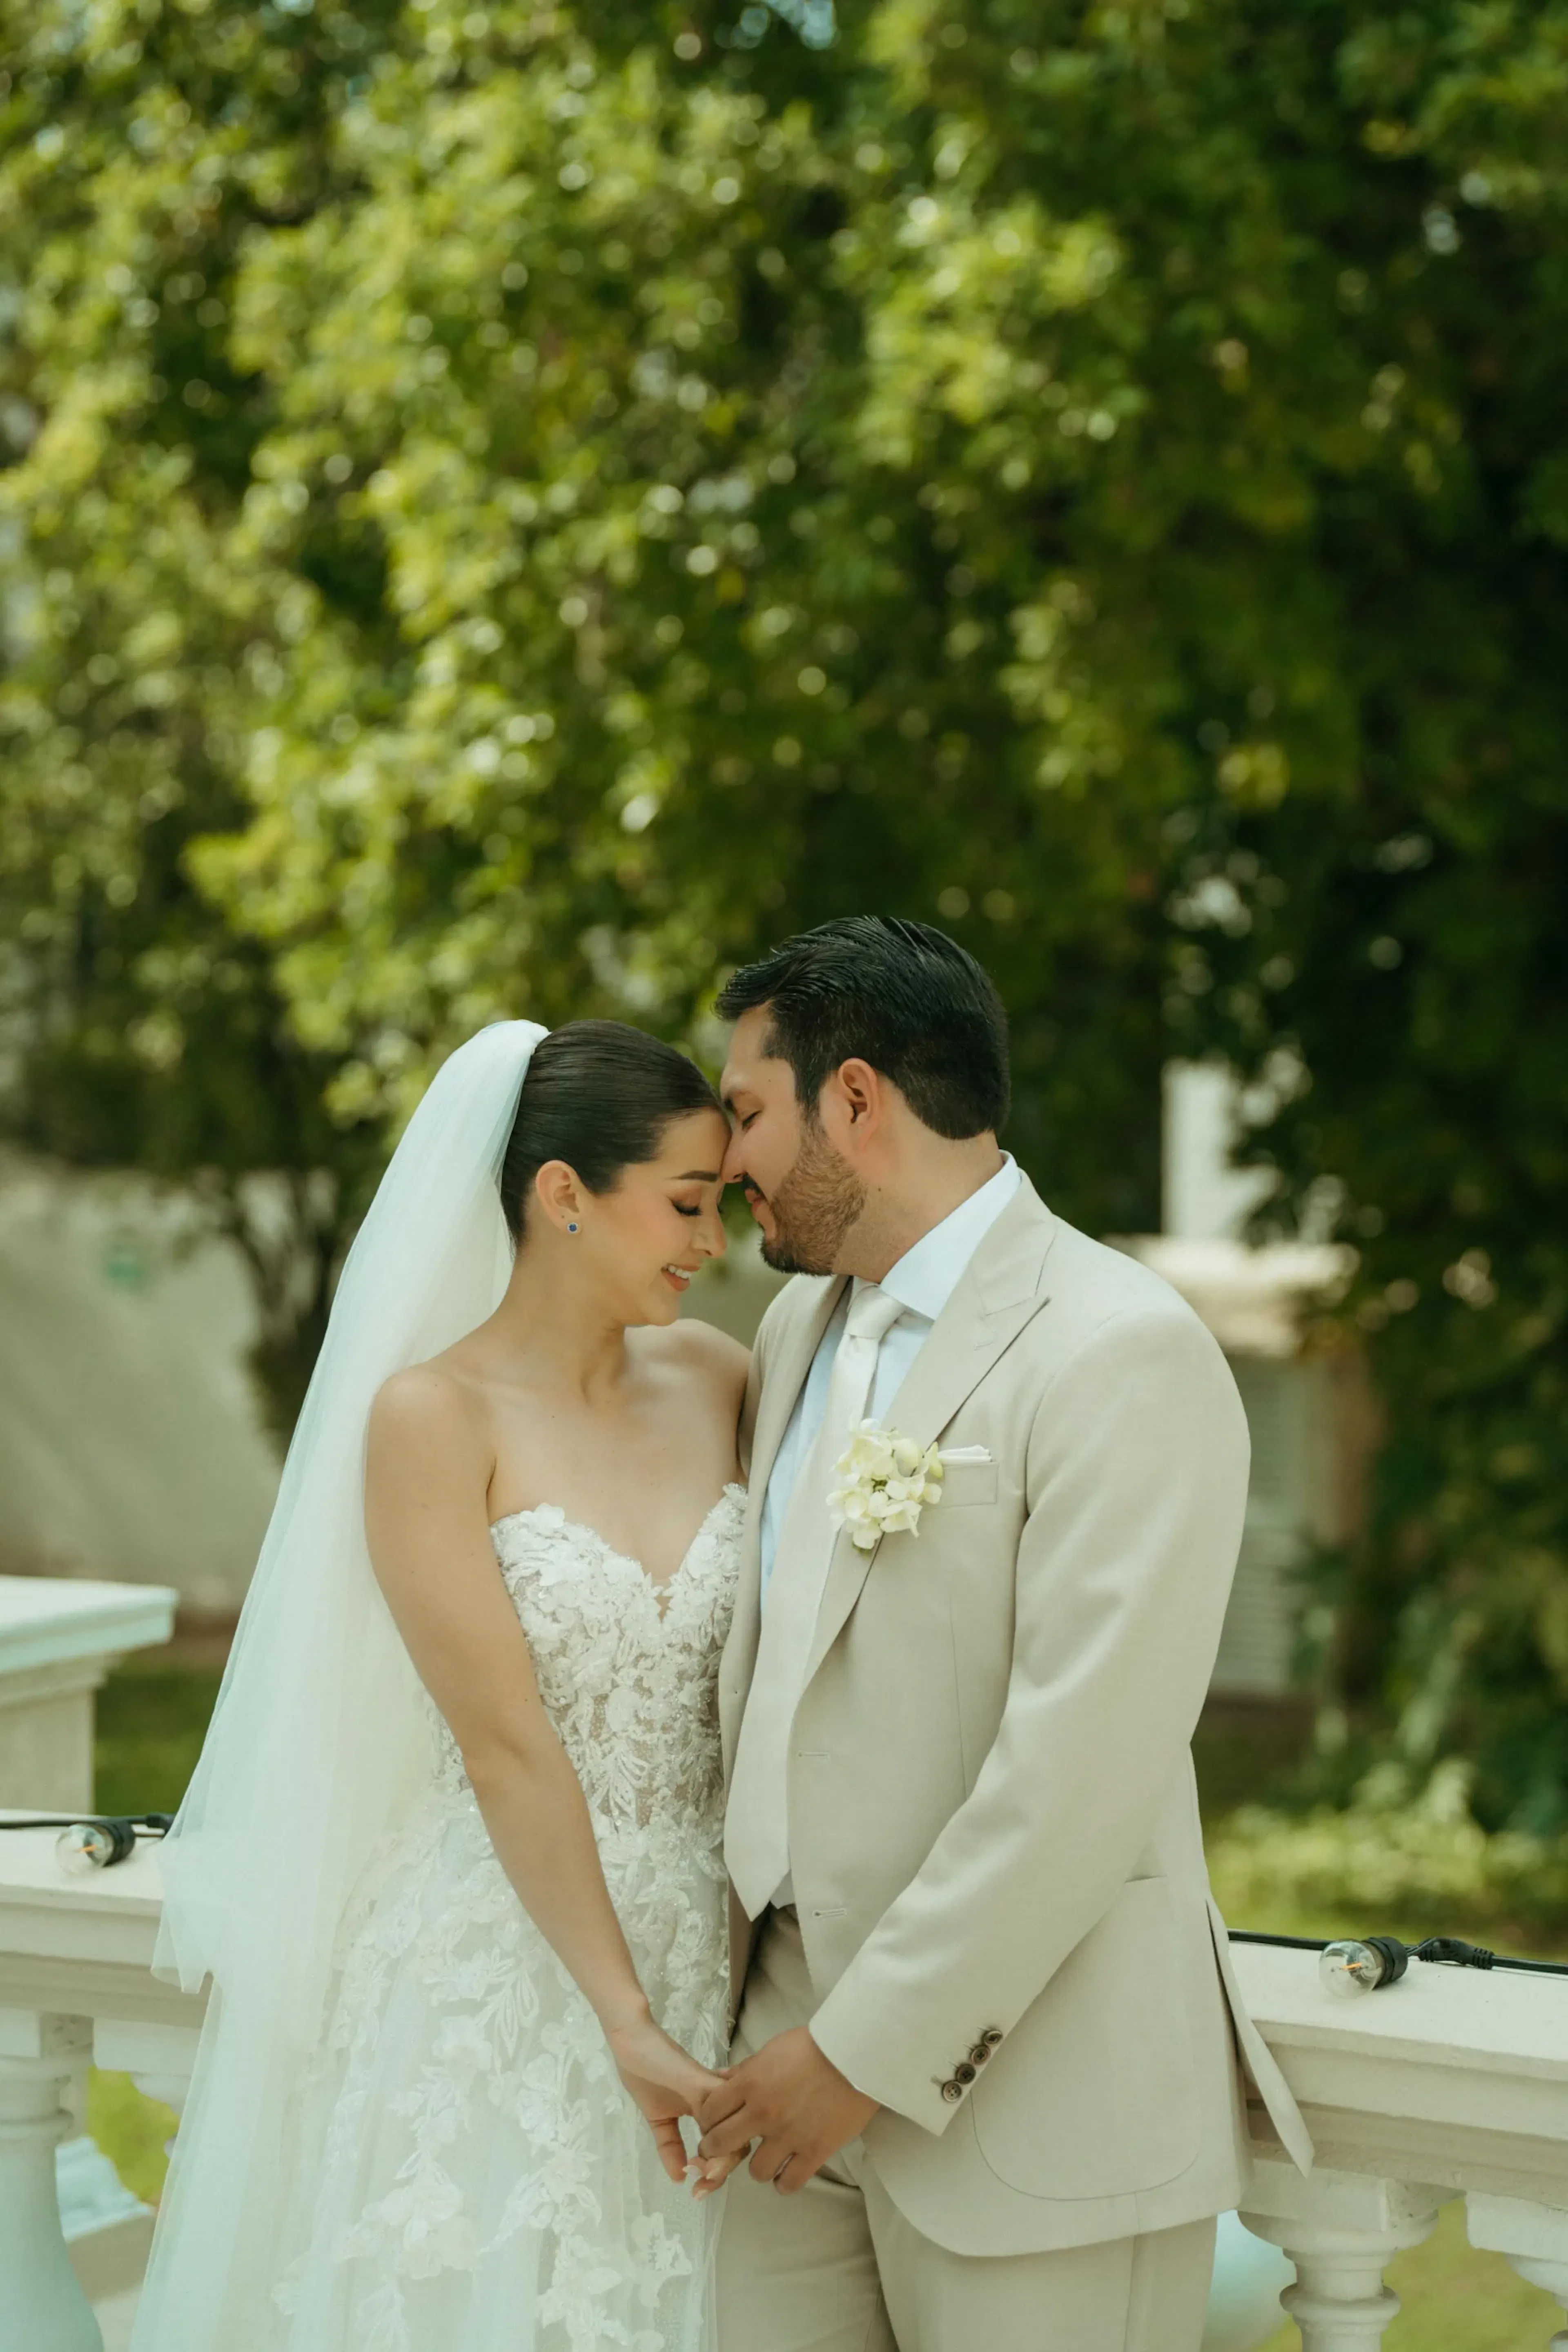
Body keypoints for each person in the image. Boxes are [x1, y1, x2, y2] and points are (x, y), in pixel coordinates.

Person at [702, 917, 1312, 2352]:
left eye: (745, 1112)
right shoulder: (793, 1335)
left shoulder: (1119, 1347)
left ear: (855, 1101)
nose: (728, 1162)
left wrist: (860, 2054)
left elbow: (1079, 1774)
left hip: (1027, 2095)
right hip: (768, 2064)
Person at [132, 1018, 750, 2352]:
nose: (714, 1242)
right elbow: (505, 1746)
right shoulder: (432, 1416)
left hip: (711, 1961)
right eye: (689, 1204)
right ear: (565, 1193)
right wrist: (623, 2018)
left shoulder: (719, 1380)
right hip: (504, 1973)